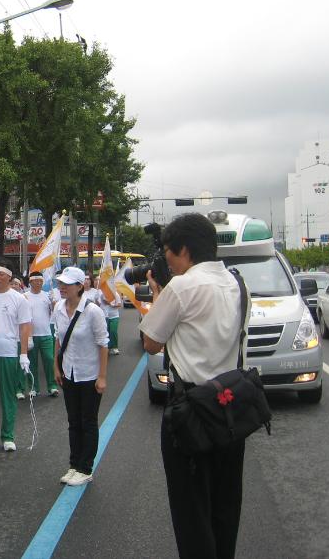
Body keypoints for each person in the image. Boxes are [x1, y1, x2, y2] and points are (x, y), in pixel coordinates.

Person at [140, 213, 249, 559]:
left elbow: (151, 342)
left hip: (190, 410)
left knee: (191, 508)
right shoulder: (236, 282)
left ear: (183, 250)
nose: (167, 261)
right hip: (230, 407)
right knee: (225, 502)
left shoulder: (182, 286)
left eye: (169, 252)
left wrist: (157, 292)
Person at [52, 266, 108, 487]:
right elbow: (58, 338)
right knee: (73, 421)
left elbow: (103, 344)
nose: (62, 287)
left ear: (80, 286)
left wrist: (102, 376)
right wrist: (56, 368)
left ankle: (85, 468)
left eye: (67, 283)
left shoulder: (93, 311)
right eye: (61, 283)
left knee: (88, 421)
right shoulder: (58, 308)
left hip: (89, 374)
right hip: (69, 372)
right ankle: (74, 465)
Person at [0, 258, 33, 451]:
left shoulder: (19, 299)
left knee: (8, 396)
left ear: (9, 277)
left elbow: (25, 327)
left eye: (0, 273)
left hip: (8, 353)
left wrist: (24, 354)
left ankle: (8, 436)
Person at [23, 272, 58, 397]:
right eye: (36, 281)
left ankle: (52, 386)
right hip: (30, 335)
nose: (38, 283)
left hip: (46, 334)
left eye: (40, 281)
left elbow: (55, 312)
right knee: (32, 363)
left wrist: (53, 302)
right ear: (30, 282)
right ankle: (34, 388)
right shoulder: (25, 296)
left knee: (49, 360)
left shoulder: (47, 296)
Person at [99, 284, 122, 356]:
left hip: (114, 316)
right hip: (105, 316)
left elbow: (119, 304)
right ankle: (108, 347)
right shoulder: (103, 295)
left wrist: (111, 304)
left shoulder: (116, 294)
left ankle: (115, 347)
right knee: (107, 332)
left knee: (113, 331)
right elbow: (99, 303)